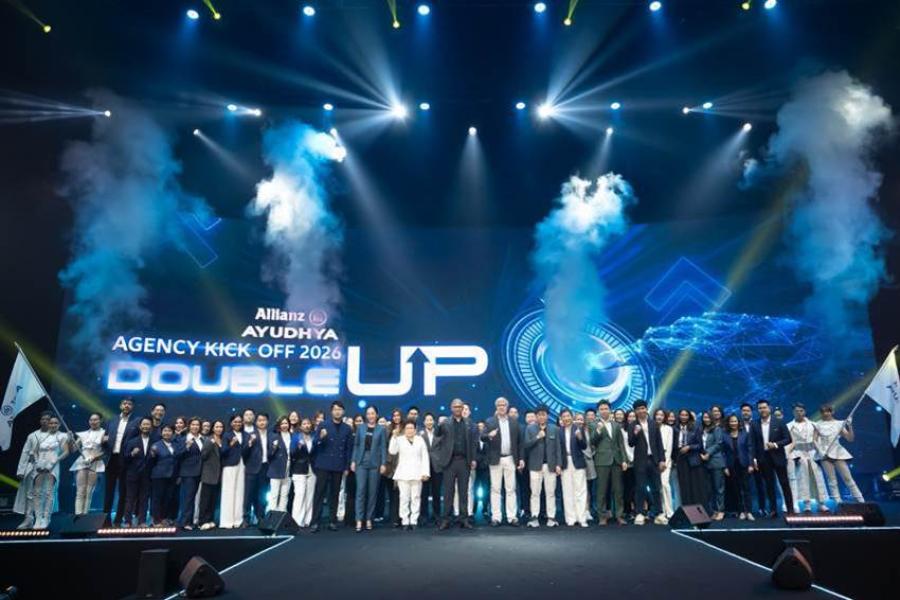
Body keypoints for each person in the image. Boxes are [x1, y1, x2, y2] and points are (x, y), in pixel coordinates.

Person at [16, 412, 70, 529]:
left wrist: (54, 461)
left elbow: (67, 451)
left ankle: (46, 518)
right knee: (35, 493)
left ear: (58, 424)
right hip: (37, 466)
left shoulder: (62, 436)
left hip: (52, 466)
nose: (51, 424)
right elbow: (30, 451)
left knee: (48, 493)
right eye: (49, 422)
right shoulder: (37, 436)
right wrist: (32, 464)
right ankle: (35, 519)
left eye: (54, 422)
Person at [432, 398, 477, 530]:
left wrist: (473, 459)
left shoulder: (469, 423)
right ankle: (446, 519)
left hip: (464, 461)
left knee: (464, 492)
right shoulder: (445, 423)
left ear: (463, 408)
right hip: (449, 462)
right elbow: (436, 440)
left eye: (460, 407)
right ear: (451, 408)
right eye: (455, 407)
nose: (458, 409)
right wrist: (440, 459)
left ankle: (464, 519)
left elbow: (473, 443)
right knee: (448, 492)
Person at [310, 401, 353, 532]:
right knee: (319, 493)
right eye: (335, 409)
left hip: (338, 465)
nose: (337, 412)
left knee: (334, 494)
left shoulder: (347, 428)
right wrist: (321, 437)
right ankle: (315, 522)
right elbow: (315, 443)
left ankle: (332, 521)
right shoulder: (323, 425)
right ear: (331, 411)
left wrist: (347, 466)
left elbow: (348, 449)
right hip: (323, 464)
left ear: (343, 411)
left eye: (340, 409)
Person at [482, 396, 523, 526]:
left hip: (510, 458)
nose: (501, 407)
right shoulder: (490, 421)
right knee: (495, 489)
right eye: (499, 405)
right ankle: (496, 517)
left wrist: (521, 459)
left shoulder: (514, 422)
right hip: (496, 459)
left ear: (507, 407)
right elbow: (482, 437)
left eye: (503, 405)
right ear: (496, 407)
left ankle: (512, 517)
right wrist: (489, 435)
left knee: (511, 489)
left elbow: (520, 442)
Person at [751, 399, 794, 517]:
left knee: (784, 483)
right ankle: (773, 509)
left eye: (764, 407)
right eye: (760, 408)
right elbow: (752, 443)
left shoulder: (779, 422)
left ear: (769, 408)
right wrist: (754, 459)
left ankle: (790, 509)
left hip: (778, 456)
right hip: (763, 459)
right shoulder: (754, 424)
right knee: (769, 485)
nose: (762, 410)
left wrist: (775, 445)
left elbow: (788, 439)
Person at [815, 404, 864, 503]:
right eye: (823, 412)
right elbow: (814, 440)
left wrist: (849, 425)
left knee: (847, 478)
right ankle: (838, 502)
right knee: (831, 480)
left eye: (828, 411)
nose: (826, 413)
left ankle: (860, 500)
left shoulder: (839, 424)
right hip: (824, 454)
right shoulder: (817, 425)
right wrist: (820, 451)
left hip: (837, 452)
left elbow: (850, 439)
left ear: (832, 412)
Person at [627, 400, 667, 525]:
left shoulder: (653, 424)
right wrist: (635, 433)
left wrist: (662, 460)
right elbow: (631, 443)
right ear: (635, 411)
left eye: (643, 408)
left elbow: (659, 443)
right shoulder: (632, 425)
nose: (641, 411)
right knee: (640, 487)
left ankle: (659, 513)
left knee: (656, 488)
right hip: (640, 461)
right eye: (638, 409)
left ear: (646, 409)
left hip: (653, 460)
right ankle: (639, 513)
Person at [102, 397, 139, 526]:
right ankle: (105, 519)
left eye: (129, 404)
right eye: (124, 403)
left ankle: (118, 519)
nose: (127, 405)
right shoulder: (111, 420)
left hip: (126, 459)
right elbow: (105, 438)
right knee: (109, 491)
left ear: (132, 407)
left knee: (123, 491)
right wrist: (103, 441)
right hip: (111, 459)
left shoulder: (136, 421)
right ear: (120, 405)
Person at [787, 403, 829, 513]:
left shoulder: (813, 425)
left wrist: (821, 452)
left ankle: (821, 503)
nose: (799, 413)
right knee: (803, 479)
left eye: (801, 410)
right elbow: (789, 442)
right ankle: (807, 504)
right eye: (796, 411)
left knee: (817, 478)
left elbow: (818, 440)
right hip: (798, 454)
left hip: (812, 453)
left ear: (804, 411)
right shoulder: (789, 426)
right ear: (793, 412)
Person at [389, 419, 431, 530]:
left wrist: (425, 472)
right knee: (404, 498)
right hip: (403, 474)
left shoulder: (420, 440)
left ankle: (414, 520)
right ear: (404, 430)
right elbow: (392, 451)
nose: (409, 430)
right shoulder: (399, 439)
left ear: (415, 430)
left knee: (416, 497)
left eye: (411, 428)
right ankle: (405, 521)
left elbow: (425, 457)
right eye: (407, 428)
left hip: (417, 473)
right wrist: (394, 437)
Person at [591, 400, 627, 526]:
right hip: (602, 461)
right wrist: (598, 430)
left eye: (606, 408)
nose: (604, 411)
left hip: (616, 460)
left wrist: (624, 460)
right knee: (601, 490)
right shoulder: (593, 424)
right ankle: (602, 516)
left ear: (610, 410)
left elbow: (621, 444)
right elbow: (591, 441)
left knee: (618, 490)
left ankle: (619, 515)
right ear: (598, 411)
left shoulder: (616, 425)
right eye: (601, 409)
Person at [523, 405, 561, 527]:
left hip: (550, 465)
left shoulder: (554, 429)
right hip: (535, 465)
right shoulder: (530, 429)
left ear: (547, 416)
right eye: (539, 415)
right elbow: (526, 445)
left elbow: (558, 449)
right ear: (536, 416)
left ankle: (551, 517)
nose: (541, 417)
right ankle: (534, 517)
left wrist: (558, 464)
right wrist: (537, 437)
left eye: (543, 414)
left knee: (550, 492)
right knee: (535, 492)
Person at [351, 406, 387, 532]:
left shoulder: (381, 429)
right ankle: (359, 519)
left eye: (373, 413)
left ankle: (369, 519)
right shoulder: (360, 428)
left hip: (375, 463)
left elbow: (383, 447)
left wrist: (383, 463)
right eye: (368, 413)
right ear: (366, 415)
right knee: (360, 491)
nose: (370, 416)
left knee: (372, 493)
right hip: (361, 462)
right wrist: (353, 460)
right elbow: (356, 445)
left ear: (376, 415)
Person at [70, 412, 106, 515]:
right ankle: (78, 514)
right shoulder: (83, 434)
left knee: (88, 491)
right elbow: (73, 449)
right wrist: (70, 439)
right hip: (82, 462)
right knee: (80, 490)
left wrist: (93, 458)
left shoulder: (104, 433)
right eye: (91, 420)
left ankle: (85, 515)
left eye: (95, 420)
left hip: (95, 463)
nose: (93, 422)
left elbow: (105, 452)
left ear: (100, 421)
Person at [558, 409, 589, 527]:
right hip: (565, 462)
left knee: (580, 491)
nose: (566, 418)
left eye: (568, 416)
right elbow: (558, 449)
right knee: (567, 491)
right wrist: (558, 464)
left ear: (572, 417)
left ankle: (582, 518)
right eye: (564, 416)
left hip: (578, 462)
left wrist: (580, 438)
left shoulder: (578, 429)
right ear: (561, 418)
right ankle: (570, 518)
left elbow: (584, 446)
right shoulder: (559, 431)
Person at [722, 414, 756, 520]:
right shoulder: (724, 435)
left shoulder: (745, 434)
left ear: (738, 422)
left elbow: (750, 449)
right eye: (731, 421)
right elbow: (723, 452)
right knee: (736, 489)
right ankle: (741, 511)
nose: (733, 423)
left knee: (746, 489)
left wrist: (751, 464)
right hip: (731, 466)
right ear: (728, 423)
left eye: (735, 421)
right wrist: (725, 467)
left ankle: (749, 511)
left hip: (744, 464)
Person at [123, 417, 154, 527]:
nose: (146, 426)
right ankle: (127, 521)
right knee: (130, 498)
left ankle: (142, 521)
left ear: (151, 427)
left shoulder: (154, 442)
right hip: (133, 474)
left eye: (148, 424)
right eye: (144, 424)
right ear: (140, 426)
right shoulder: (132, 441)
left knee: (144, 499)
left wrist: (154, 455)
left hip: (147, 475)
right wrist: (132, 454)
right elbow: (125, 458)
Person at [739, 402, 768, 517]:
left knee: (760, 485)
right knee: (743, 486)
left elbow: (760, 442)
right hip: (742, 460)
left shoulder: (757, 424)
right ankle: (744, 509)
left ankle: (762, 508)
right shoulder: (737, 424)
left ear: (752, 412)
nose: (745, 412)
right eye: (743, 411)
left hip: (757, 460)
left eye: (748, 410)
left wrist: (754, 459)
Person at [148, 424, 179, 527]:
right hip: (159, 476)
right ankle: (156, 520)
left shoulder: (176, 444)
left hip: (172, 476)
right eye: (165, 431)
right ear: (161, 433)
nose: (167, 433)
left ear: (173, 433)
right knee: (157, 498)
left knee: (168, 498)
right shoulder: (156, 445)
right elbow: (151, 462)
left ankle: (164, 518)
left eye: (169, 431)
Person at [242, 412, 270, 526]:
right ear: (256, 422)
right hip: (252, 468)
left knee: (262, 495)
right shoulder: (250, 435)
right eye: (259, 420)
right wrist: (249, 444)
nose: (262, 422)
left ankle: (260, 517)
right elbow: (244, 453)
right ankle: (246, 518)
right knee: (249, 494)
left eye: (264, 420)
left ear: (267, 421)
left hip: (265, 468)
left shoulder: (272, 435)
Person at [674, 408, 705, 506]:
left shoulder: (695, 428)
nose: (684, 417)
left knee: (695, 485)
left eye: (686, 415)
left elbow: (700, 445)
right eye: (682, 415)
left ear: (689, 417)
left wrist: (689, 447)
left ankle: (697, 508)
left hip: (693, 459)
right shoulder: (675, 428)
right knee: (684, 485)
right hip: (680, 459)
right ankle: (686, 508)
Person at [290, 417, 317, 528]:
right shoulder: (296, 437)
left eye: (308, 423)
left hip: (312, 469)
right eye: (304, 424)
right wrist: (298, 447)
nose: (307, 425)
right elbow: (292, 453)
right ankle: (297, 521)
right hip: (299, 469)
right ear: (300, 426)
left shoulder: (314, 437)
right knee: (299, 495)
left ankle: (308, 520)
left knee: (310, 496)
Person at [698, 412, 725, 521]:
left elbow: (719, 444)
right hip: (704, 462)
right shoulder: (701, 430)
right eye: (704, 417)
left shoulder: (717, 429)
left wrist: (708, 453)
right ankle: (713, 511)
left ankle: (720, 510)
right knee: (709, 489)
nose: (706, 419)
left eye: (708, 417)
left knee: (719, 488)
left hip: (715, 461)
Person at [220, 414, 246, 529]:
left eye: (239, 422)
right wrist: (231, 444)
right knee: (228, 492)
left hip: (242, 465)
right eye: (235, 421)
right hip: (230, 465)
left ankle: (238, 520)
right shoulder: (227, 435)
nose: (237, 424)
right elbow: (223, 451)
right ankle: (227, 521)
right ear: (231, 423)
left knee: (239, 492)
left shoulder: (244, 435)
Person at [177, 417, 203, 530]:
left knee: (193, 498)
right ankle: (185, 522)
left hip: (200, 472)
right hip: (188, 472)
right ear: (189, 426)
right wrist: (186, 447)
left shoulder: (202, 439)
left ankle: (191, 520)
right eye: (193, 424)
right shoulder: (184, 439)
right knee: (188, 498)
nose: (195, 427)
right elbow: (177, 454)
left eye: (197, 425)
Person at [198, 420, 224, 530]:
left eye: (221, 427)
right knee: (205, 500)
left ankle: (210, 519)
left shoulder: (223, 440)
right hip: (209, 474)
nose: (219, 429)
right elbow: (203, 456)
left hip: (218, 475)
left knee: (213, 499)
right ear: (213, 428)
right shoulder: (209, 440)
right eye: (217, 427)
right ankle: (201, 521)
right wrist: (210, 445)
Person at [266, 416, 293, 514]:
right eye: (282, 423)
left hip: (289, 468)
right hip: (276, 468)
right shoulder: (274, 436)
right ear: (279, 425)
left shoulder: (292, 436)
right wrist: (274, 447)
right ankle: (272, 516)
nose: (284, 425)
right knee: (274, 495)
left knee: (285, 495)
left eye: (286, 423)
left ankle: (282, 515)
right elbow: (269, 454)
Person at [419, 412, 441, 523]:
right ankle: (424, 515)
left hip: (437, 466)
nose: (429, 422)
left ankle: (437, 515)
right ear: (424, 422)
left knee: (436, 493)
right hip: (424, 467)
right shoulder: (420, 435)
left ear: (434, 421)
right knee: (424, 493)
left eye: (431, 420)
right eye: (427, 420)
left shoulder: (439, 434)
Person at [654, 408, 675, 519]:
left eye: (661, 415)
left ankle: (669, 511)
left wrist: (665, 462)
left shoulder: (668, 429)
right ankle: (661, 510)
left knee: (665, 484)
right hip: (653, 461)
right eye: (657, 414)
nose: (659, 417)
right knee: (657, 487)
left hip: (665, 461)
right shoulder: (651, 427)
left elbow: (669, 446)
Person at [575, 412, 596, 521]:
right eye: (577, 419)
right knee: (576, 488)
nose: (579, 421)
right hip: (575, 462)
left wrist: (591, 454)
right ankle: (576, 511)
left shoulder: (588, 431)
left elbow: (592, 445)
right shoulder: (570, 430)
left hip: (588, 461)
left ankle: (587, 510)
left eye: (581, 419)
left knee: (587, 487)